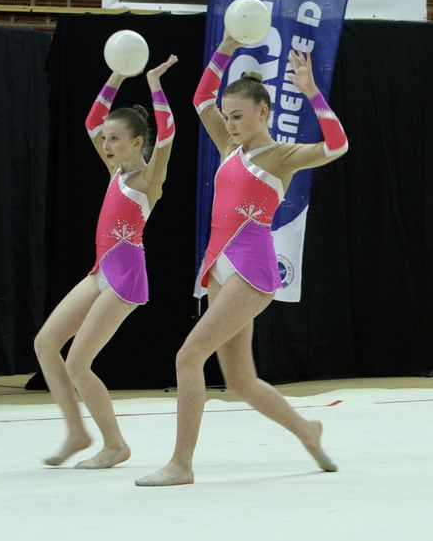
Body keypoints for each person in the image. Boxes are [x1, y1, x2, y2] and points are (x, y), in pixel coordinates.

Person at [134, 32, 348, 486]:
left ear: (263, 112)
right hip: (219, 266)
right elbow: (200, 99)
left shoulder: (280, 157)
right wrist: (228, 44)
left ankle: (181, 464)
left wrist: (311, 92)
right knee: (240, 381)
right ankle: (307, 430)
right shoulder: (230, 148)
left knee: (189, 355)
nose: (229, 123)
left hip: (251, 270)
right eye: (227, 116)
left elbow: (336, 146)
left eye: (238, 116)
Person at [34, 55, 178, 469]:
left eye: (115, 139)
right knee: (46, 344)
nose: (106, 144)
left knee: (79, 362)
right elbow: (91, 120)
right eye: (106, 139)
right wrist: (118, 72)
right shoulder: (114, 171)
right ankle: (77, 432)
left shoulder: (148, 180)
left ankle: (114, 445)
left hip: (126, 278)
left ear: (137, 142)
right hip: (101, 270)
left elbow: (168, 134)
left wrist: (154, 84)